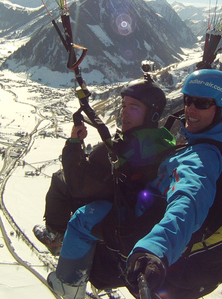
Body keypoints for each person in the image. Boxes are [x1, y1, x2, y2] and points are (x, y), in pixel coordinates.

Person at [48, 69, 222, 299]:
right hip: (151, 213)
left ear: (221, 108)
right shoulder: (220, 143)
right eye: (188, 100)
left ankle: (69, 286)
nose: (190, 109)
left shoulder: (202, 159)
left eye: (201, 103)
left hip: (144, 231)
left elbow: (188, 201)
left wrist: (157, 247)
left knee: (81, 218)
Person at [33, 79, 175, 256]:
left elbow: (77, 183)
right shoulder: (163, 139)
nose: (124, 114)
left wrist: (74, 143)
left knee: (59, 178)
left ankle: (55, 235)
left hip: (114, 207)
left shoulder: (120, 149)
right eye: (124, 106)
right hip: (133, 201)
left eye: (134, 108)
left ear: (152, 115)